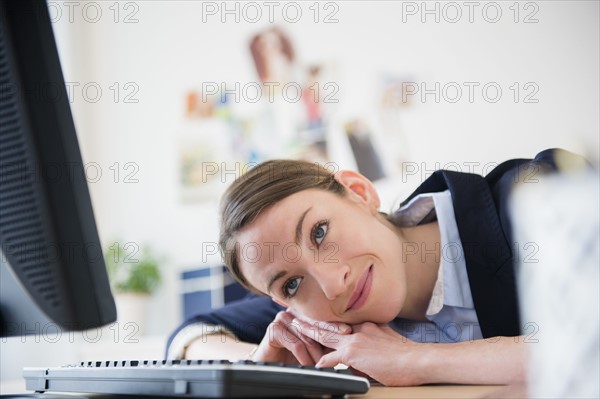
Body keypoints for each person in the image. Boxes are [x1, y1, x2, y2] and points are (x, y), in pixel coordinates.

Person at [167, 148, 589, 386]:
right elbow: (194, 332)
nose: (333, 284)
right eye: (291, 285)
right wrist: (267, 370)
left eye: (318, 232)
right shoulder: (319, 316)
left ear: (359, 192)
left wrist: (416, 360)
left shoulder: (537, 199)